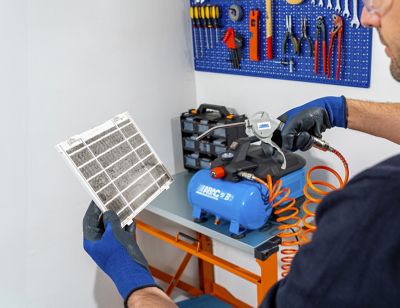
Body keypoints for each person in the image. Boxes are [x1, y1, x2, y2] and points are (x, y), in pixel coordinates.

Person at [82, 1, 400, 307]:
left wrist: (136, 285)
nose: (367, 18)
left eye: (378, 2)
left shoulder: (374, 209)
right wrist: (340, 110)